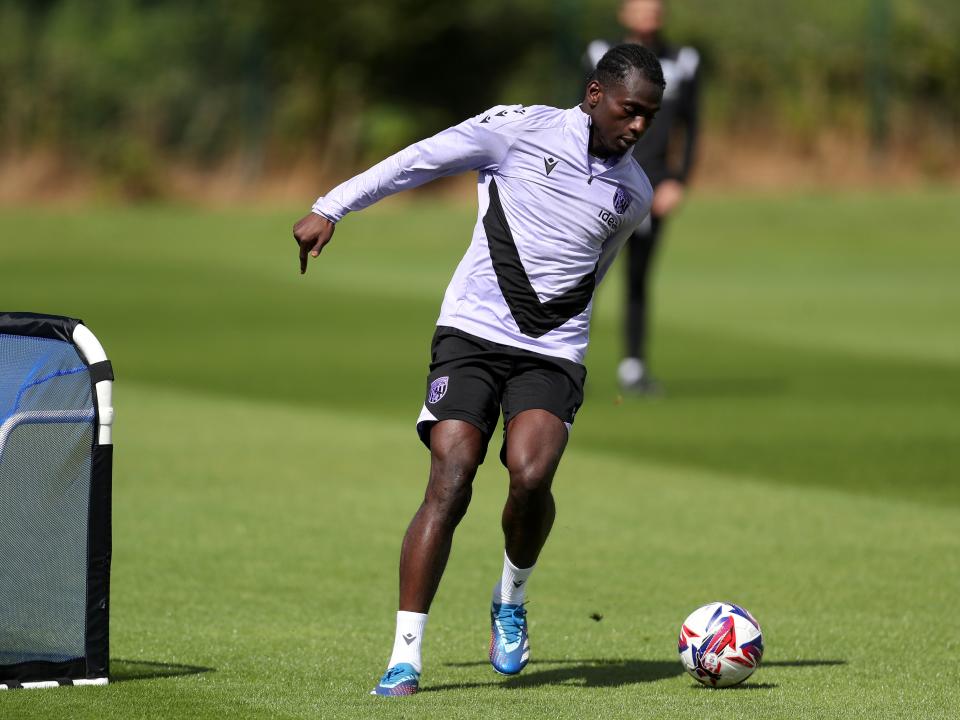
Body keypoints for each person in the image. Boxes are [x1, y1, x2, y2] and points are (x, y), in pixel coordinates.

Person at [292, 44, 664, 696]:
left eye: (650, 118)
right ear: (594, 95)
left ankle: (511, 599)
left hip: (551, 349)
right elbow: (420, 159)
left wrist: (564, 346)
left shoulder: (634, 193)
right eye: (630, 111)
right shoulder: (517, 129)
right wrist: (332, 206)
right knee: (452, 472)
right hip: (471, 332)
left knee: (531, 473)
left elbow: (589, 277)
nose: (637, 127)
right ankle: (405, 654)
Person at [586, 0, 700, 394]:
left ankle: (633, 367)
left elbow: (692, 125)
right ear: (623, 11)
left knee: (637, 277)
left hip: (653, 184)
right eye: (642, 5)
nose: (652, 11)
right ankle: (561, 356)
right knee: (585, 273)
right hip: (602, 180)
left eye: (657, 6)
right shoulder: (600, 55)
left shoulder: (684, 59)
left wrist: (678, 180)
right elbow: (581, 116)